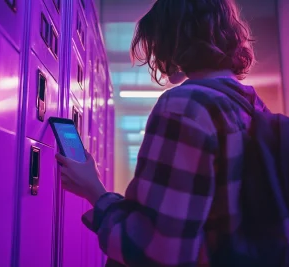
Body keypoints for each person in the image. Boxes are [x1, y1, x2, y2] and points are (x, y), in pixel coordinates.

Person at [55, 0, 270, 266]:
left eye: (156, 42)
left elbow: (155, 252)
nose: (157, 57)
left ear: (173, 37)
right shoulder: (255, 107)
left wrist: (93, 189)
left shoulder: (184, 106)